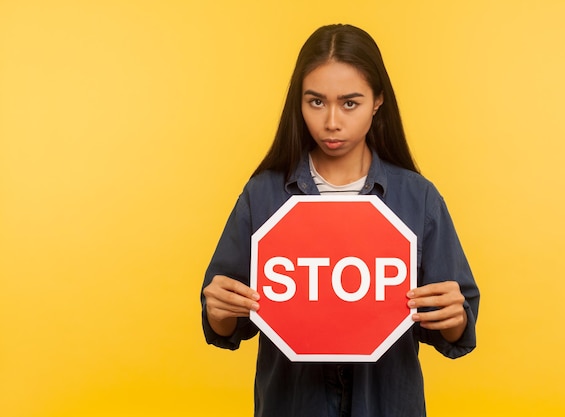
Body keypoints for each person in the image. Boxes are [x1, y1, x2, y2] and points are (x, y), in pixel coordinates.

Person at [201, 23, 479, 417]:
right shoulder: (261, 195)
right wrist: (218, 312)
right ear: (298, 103)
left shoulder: (419, 198)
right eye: (316, 102)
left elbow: (455, 331)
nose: (332, 121)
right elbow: (226, 324)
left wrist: (454, 318)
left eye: (350, 103)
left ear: (378, 100)